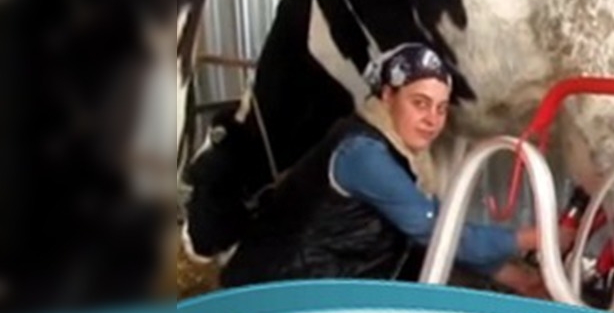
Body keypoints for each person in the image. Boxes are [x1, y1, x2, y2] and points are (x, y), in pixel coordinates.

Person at [220, 43, 565, 297]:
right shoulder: (363, 155)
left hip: (319, 287)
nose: (432, 120)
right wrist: (531, 239)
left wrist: (518, 278)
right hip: (280, 299)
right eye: (420, 103)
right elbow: (432, 230)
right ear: (387, 96)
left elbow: (433, 230)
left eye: (441, 108)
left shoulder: (396, 152)